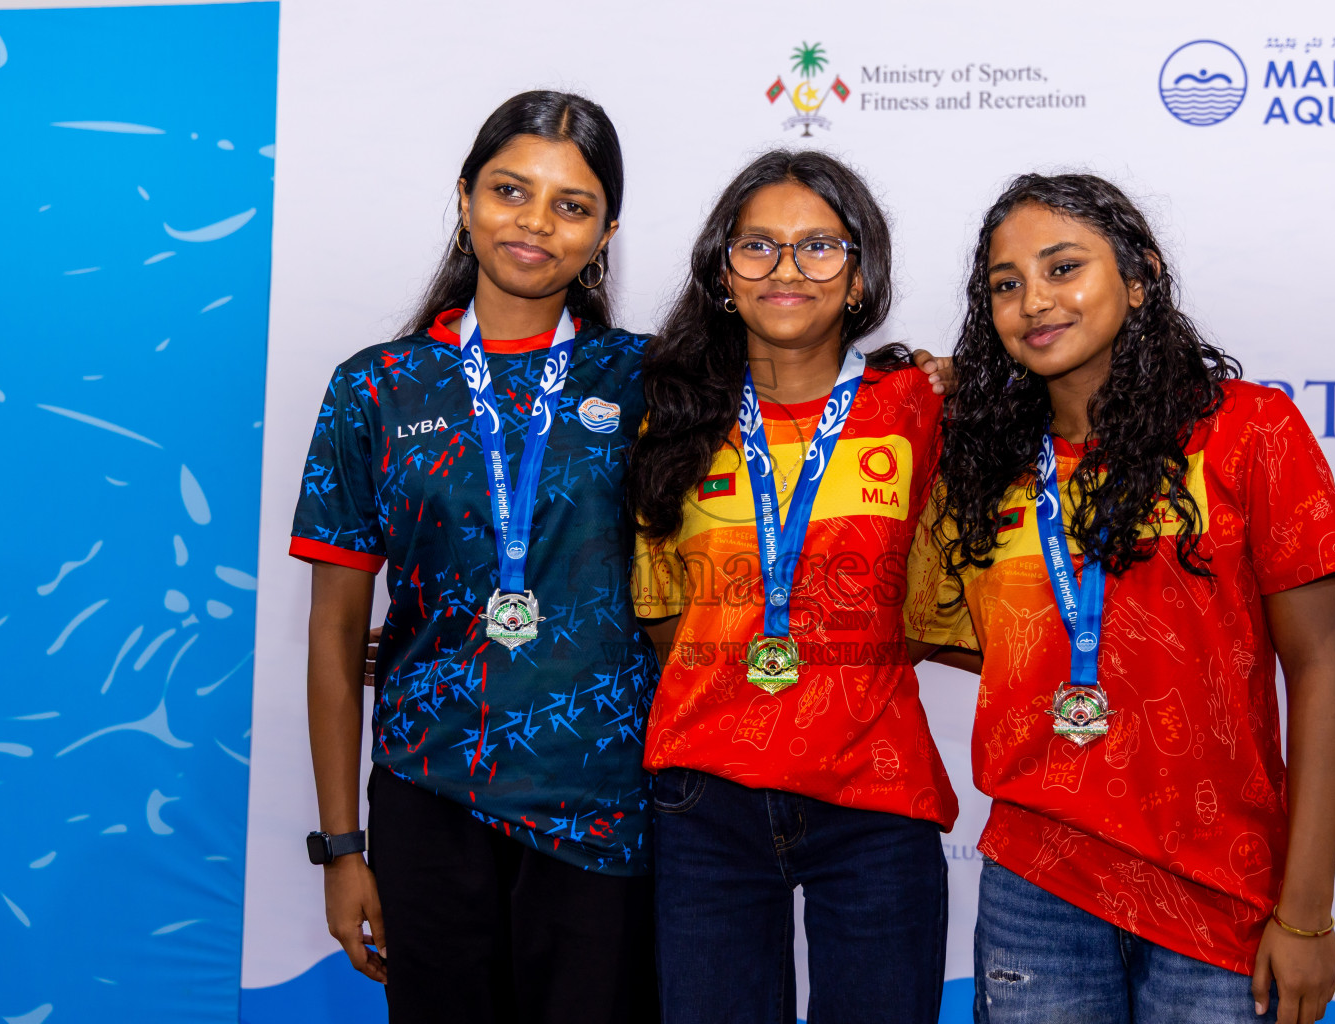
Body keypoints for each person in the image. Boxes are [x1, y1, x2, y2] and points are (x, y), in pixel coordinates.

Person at [908, 173, 1335, 1024]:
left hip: (1219, 883)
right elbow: (977, 642)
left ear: (1141, 277)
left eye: (1063, 267)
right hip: (1035, 885)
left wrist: (1306, 914)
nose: (1035, 301)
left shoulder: (1249, 431)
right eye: (1006, 285)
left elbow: (1320, 672)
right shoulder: (985, 464)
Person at [291, 90, 659, 1024]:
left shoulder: (651, 377)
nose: (536, 224)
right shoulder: (375, 386)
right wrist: (342, 846)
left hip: (603, 806)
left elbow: (799, 385)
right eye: (510, 190)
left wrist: (919, 370)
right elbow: (336, 639)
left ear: (607, 229)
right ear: (464, 198)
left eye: (572, 205)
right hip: (428, 797)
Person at [627, 149, 959, 1024]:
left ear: (859, 276)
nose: (785, 269)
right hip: (704, 799)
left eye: (818, 247)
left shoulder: (920, 409)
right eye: (758, 246)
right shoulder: (670, 415)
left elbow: (946, 596)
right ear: (722, 273)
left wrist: (846, 657)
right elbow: (664, 616)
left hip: (875, 798)